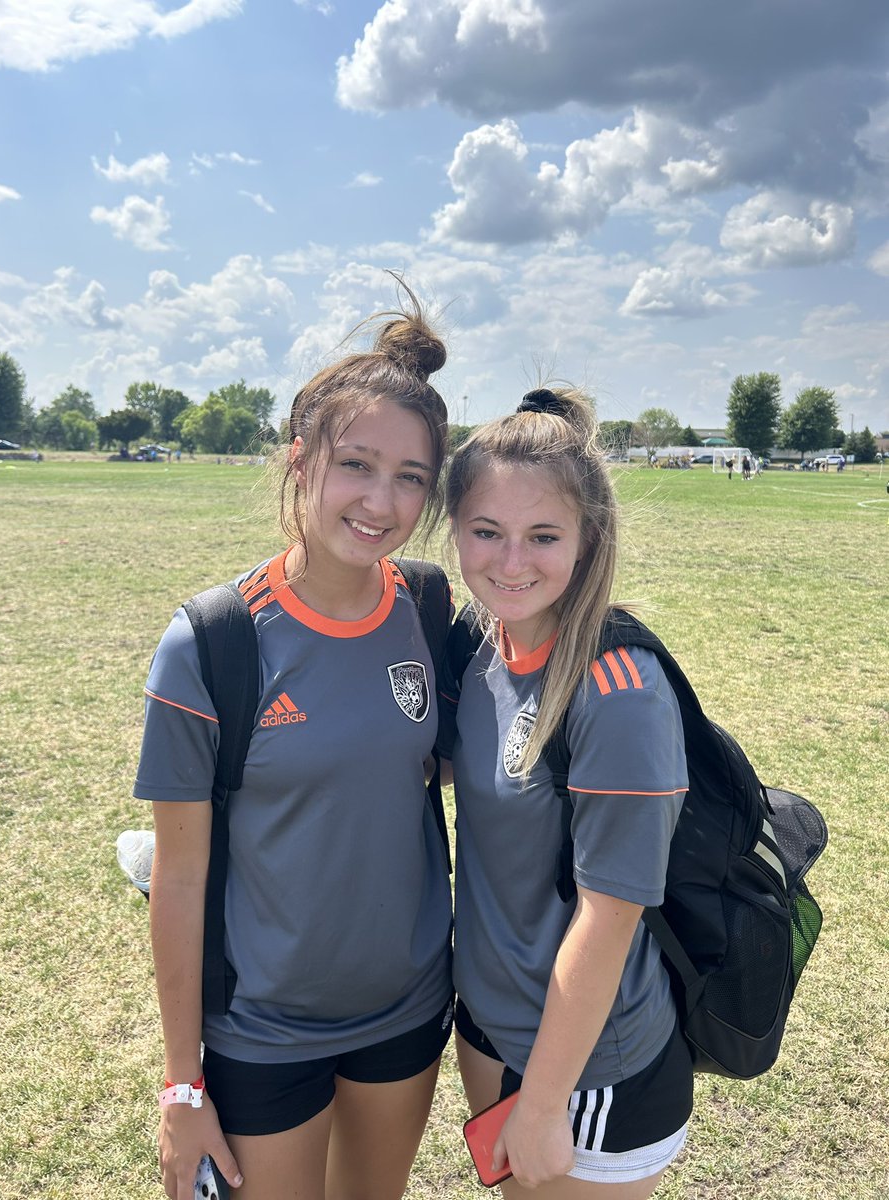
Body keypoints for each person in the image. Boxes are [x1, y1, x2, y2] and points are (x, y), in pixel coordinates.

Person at [133, 284, 454, 1200]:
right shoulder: (213, 642)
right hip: (259, 1032)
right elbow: (180, 877)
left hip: (408, 1008)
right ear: (300, 460)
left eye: (411, 478)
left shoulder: (431, 611)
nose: (381, 501)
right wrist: (183, 1081)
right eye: (357, 464)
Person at [439, 387, 692, 1198]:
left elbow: (609, 914)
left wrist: (547, 1103)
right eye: (487, 532)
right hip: (486, 1024)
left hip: (589, 1068)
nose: (511, 562)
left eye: (543, 535)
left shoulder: (617, 691)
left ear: (588, 539)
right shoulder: (480, 644)